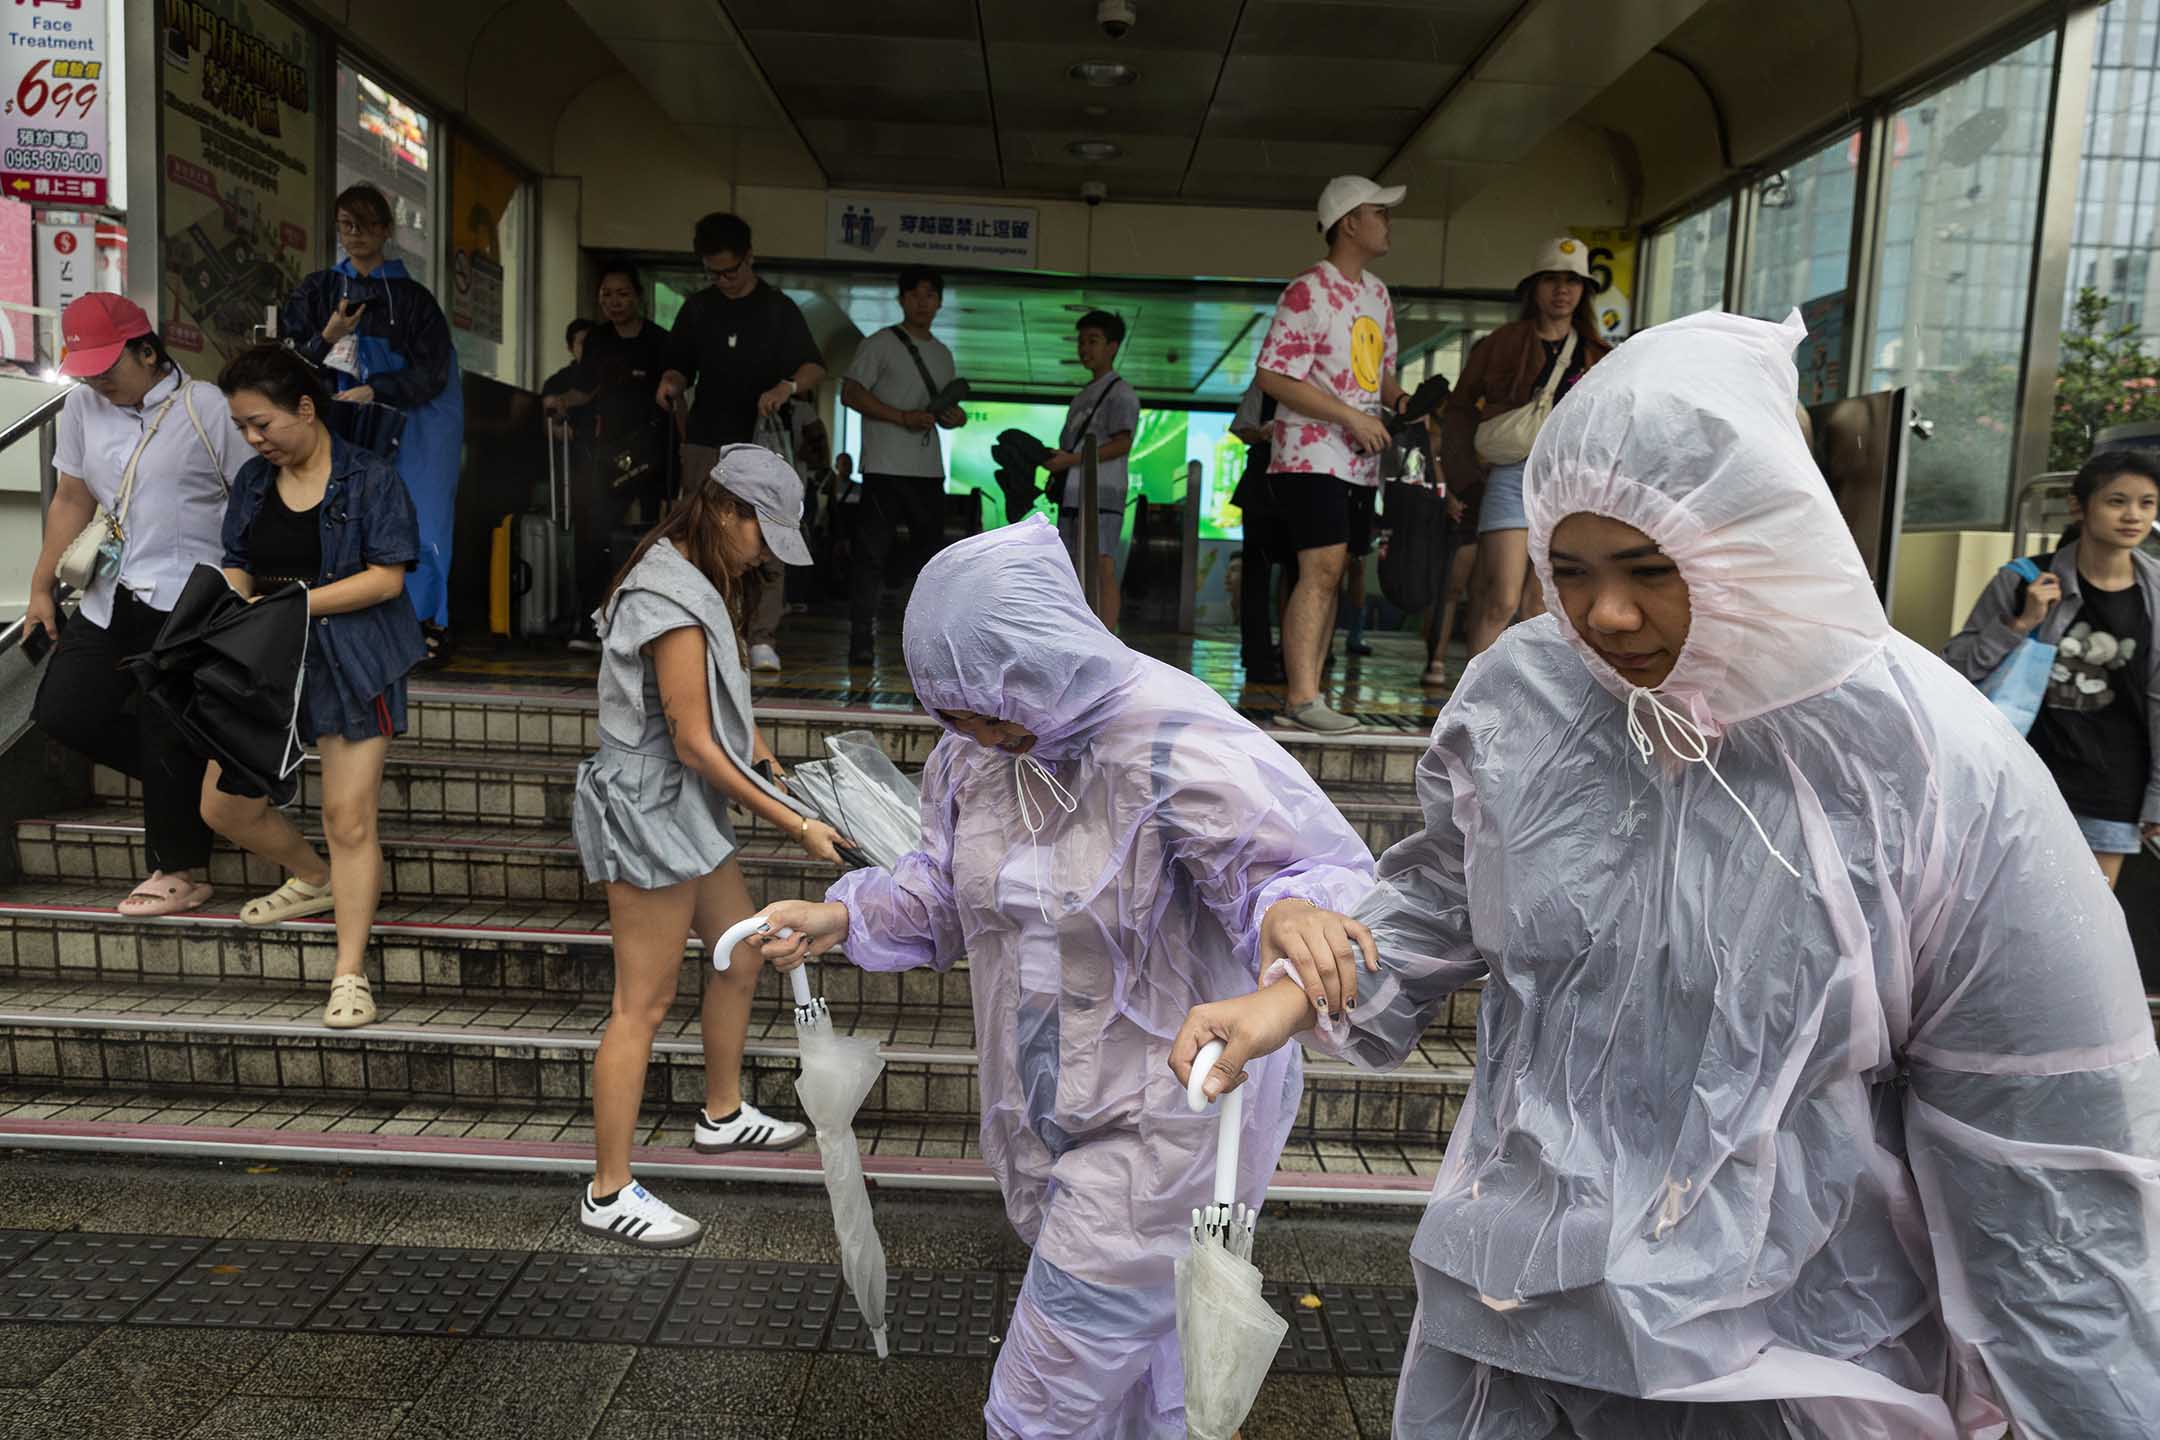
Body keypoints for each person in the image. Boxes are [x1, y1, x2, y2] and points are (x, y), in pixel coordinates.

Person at [1171, 310, 2160, 1439]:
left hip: (1783, 1353)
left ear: (1758, 538)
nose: (1605, 614)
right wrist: (1287, 997)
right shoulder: (1533, 696)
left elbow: (2048, 1161)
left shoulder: (1931, 769)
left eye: (1650, 568)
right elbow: (1444, 885)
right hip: (1518, 1306)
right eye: (1571, 568)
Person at [754, 518, 1377, 1438]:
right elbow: (949, 887)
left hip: (1167, 1125)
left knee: (1036, 1408)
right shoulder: (980, 753)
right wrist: (844, 916)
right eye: (952, 715)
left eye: (989, 711)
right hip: (1048, 1110)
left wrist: (1292, 919)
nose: (976, 734)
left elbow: (1303, 878)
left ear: (1043, 657)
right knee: (1147, 1378)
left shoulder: (1168, 740)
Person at [573, 444, 846, 1248]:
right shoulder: (668, 592)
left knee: (742, 953)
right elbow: (692, 742)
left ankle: (721, 1113)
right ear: (727, 510)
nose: (765, 553)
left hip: (684, 803)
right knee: (641, 1004)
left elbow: (721, 708)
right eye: (763, 533)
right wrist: (794, 824)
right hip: (653, 805)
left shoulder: (699, 576)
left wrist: (763, 756)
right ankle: (608, 1189)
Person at [203, 344, 427, 1030]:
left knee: (349, 819)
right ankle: (315, 877)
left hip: (355, 660)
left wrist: (293, 604)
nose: (252, 439)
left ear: (305, 408)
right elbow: (237, 561)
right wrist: (231, 609)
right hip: (268, 659)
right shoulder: (251, 480)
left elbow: (388, 578)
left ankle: (350, 974)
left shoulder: (370, 478)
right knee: (223, 808)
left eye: (262, 423)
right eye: (242, 426)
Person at [26, 292, 253, 917]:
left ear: (148, 350)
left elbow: (252, 500)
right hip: (109, 592)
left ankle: (180, 868)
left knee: (162, 722)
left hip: (188, 596)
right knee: (66, 712)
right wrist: (41, 584)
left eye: (109, 367)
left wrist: (245, 593)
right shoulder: (82, 406)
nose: (98, 380)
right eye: (87, 368)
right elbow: (72, 496)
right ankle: (212, 776)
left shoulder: (206, 408)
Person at [1945, 450, 2160, 887]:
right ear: (2079, 507)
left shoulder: (2156, 592)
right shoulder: (2023, 580)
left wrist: (2157, 797)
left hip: (2113, 789)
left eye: (2147, 503)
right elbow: (1955, 668)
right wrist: (2019, 623)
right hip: (2021, 778)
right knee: (2001, 911)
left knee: (2087, 930)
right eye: (2117, 501)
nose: (2133, 516)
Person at [281, 182, 464, 665]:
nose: (356, 235)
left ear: (386, 230)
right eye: (347, 225)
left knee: (419, 518)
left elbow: (433, 372)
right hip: (337, 416)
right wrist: (330, 335)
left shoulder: (415, 300)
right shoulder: (318, 290)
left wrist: (378, 387)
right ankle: (342, 621)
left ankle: (423, 621)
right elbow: (290, 360)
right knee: (342, 517)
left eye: (367, 225)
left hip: (415, 422)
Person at [1256, 175, 1409, 734]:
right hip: (1309, 456)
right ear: (1350, 222)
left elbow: (1380, 372)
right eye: (1380, 213)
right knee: (1319, 568)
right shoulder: (1308, 290)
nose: (1387, 223)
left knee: (1334, 572)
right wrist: (1350, 416)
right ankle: (1301, 697)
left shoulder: (1377, 293)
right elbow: (1273, 374)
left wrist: (1400, 399)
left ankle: (1310, 694)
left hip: (1358, 460)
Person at [659, 213, 825, 674]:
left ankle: (762, 636)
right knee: (700, 534)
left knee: (767, 536)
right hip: (706, 440)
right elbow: (677, 365)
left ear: (750, 258)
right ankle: (705, 629)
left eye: (731, 270)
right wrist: (670, 383)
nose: (724, 281)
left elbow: (814, 367)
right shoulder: (698, 308)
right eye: (714, 273)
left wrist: (785, 388)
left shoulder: (778, 308)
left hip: (761, 441)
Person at [1442, 236, 1612, 662]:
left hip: (1570, 485)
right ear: (1533, 287)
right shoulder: (1501, 342)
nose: (1562, 290)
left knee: (1540, 607)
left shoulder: (1599, 353)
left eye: (1573, 281)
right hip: (1511, 476)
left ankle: (1522, 706)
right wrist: (1462, 479)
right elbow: (1460, 409)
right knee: (1499, 597)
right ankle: (1473, 705)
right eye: (1551, 279)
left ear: (1584, 290)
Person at [545, 262, 677, 650]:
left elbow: (676, 395)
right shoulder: (598, 340)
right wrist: (559, 402)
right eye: (606, 295)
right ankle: (593, 620)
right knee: (594, 535)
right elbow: (583, 390)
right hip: (606, 451)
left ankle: (653, 626)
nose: (614, 302)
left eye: (622, 294)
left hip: (654, 448)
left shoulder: (660, 340)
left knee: (655, 537)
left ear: (638, 297)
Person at [841, 266, 967, 665]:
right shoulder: (880, 343)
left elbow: (948, 406)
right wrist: (901, 417)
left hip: (928, 471)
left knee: (931, 562)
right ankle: (862, 638)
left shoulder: (943, 354)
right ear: (901, 300)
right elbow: (850, 393)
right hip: (883, 467)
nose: (922, 302)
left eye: (930, 295)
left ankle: (927, 646)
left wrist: (956, 418)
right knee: (871, 557)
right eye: (914, 294)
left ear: (940, 302)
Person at [1043, 310, 1140, 632]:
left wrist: (1071, 461)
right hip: (1074, 493)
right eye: (1082, 342)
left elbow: (1123, 443)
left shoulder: (1120, 393)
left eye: (1094, 341)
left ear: (1113, 346)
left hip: (1103, 493)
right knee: (1073, 564)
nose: (1085, 348)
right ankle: (1081, 631)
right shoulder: (1083, 394)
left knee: (1101, 563)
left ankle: (1107, 637)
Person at [1229, 375, 1291, 684]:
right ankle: (1258, 659)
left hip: (1298, 487)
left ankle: (1291, 657)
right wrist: (1266, 434)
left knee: (1298, 578)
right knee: (1257, 577)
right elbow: (1242, 428)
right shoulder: (1265, 382)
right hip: (1263, 488)